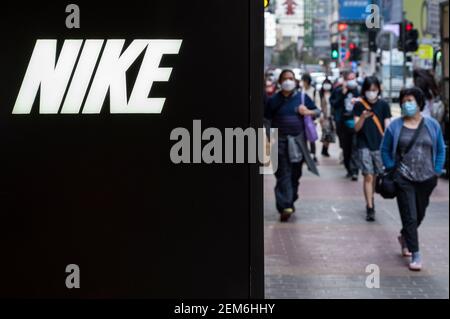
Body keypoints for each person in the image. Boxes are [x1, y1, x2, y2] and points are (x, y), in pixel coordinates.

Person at [380, 87, 446, 271]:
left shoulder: (432, 125)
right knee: (410, 215)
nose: (406, 104)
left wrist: (437, 170)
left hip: (427, 178)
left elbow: (440, 149)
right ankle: (415, 253)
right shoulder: (395, 126)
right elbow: (384, 149)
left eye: (410, 100)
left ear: (419, 103)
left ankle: (405, 236)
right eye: (404, 101)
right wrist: (391, 167)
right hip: (403, 178)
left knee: (420, 214)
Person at [265, 69, 321, 222]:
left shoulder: (302, 98)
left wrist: (307, 111)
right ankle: (285, 206)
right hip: (280, 142)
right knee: (283, 174)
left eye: (291, 78)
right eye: (285, 78)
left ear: (295, 81)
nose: (288, 81)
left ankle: (290, 199)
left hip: (298, 143)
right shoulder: (273, 100)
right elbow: (267, 120)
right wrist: (269, 138)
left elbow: (318, 112)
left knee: (295, 175)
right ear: (280, 82)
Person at [354, 76, 392, 221]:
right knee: (368, 175)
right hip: (363, 144)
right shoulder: (359, 105)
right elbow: (356, 128)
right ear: (364, 90)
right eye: (369, 90)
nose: (372, 93)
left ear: (378, 90)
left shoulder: (384, 105)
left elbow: (388, 127)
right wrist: (363, 117)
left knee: (375, 175)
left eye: (374, 90)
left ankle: (371, 198)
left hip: (379, 145)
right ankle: (370, 207)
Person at [330, 71, 360, 180]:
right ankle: (349, 168)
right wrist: (343, 93)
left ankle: (354, 170)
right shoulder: (338, 91)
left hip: (356, 122)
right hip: (342, 123)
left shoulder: (359, 91)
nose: (352, 81)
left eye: (353, 78)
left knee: (355, 146)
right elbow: (334, 104)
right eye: (349, 79)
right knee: (346, 147)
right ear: (345, 80)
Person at [301, 73, 318, 163]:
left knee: (311, 136)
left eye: (303, 80)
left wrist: (317, 119)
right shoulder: (301, 91)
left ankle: (313, 155)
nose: (302, 82)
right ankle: (305, 155)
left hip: (311, 118)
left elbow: (318, 107)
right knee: (303, 137)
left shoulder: (314, 91)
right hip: (302, 118)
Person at [319, 78, 335, 157]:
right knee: (326, 133)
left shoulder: (333, 93)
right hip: (324, 117)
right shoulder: (320, 94)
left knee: (330, 134)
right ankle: (324, 149)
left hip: (331, 117)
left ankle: (325, 149)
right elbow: (319, 106)